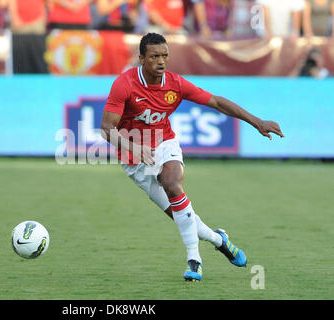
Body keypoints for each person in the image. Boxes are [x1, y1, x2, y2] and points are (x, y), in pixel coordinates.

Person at [100, 33, 284, 281]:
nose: (161, 61)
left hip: (164, 143)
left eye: (165, 55)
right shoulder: (124, 84)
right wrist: (133, 147)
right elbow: (106, 128)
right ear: (141, 58)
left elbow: (217, 102)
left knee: (173, 184)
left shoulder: (175, 84)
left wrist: (257, 122)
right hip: (134, 160)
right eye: (154, 56)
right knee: (182, 217)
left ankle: (194, 261)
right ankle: (219, 240)